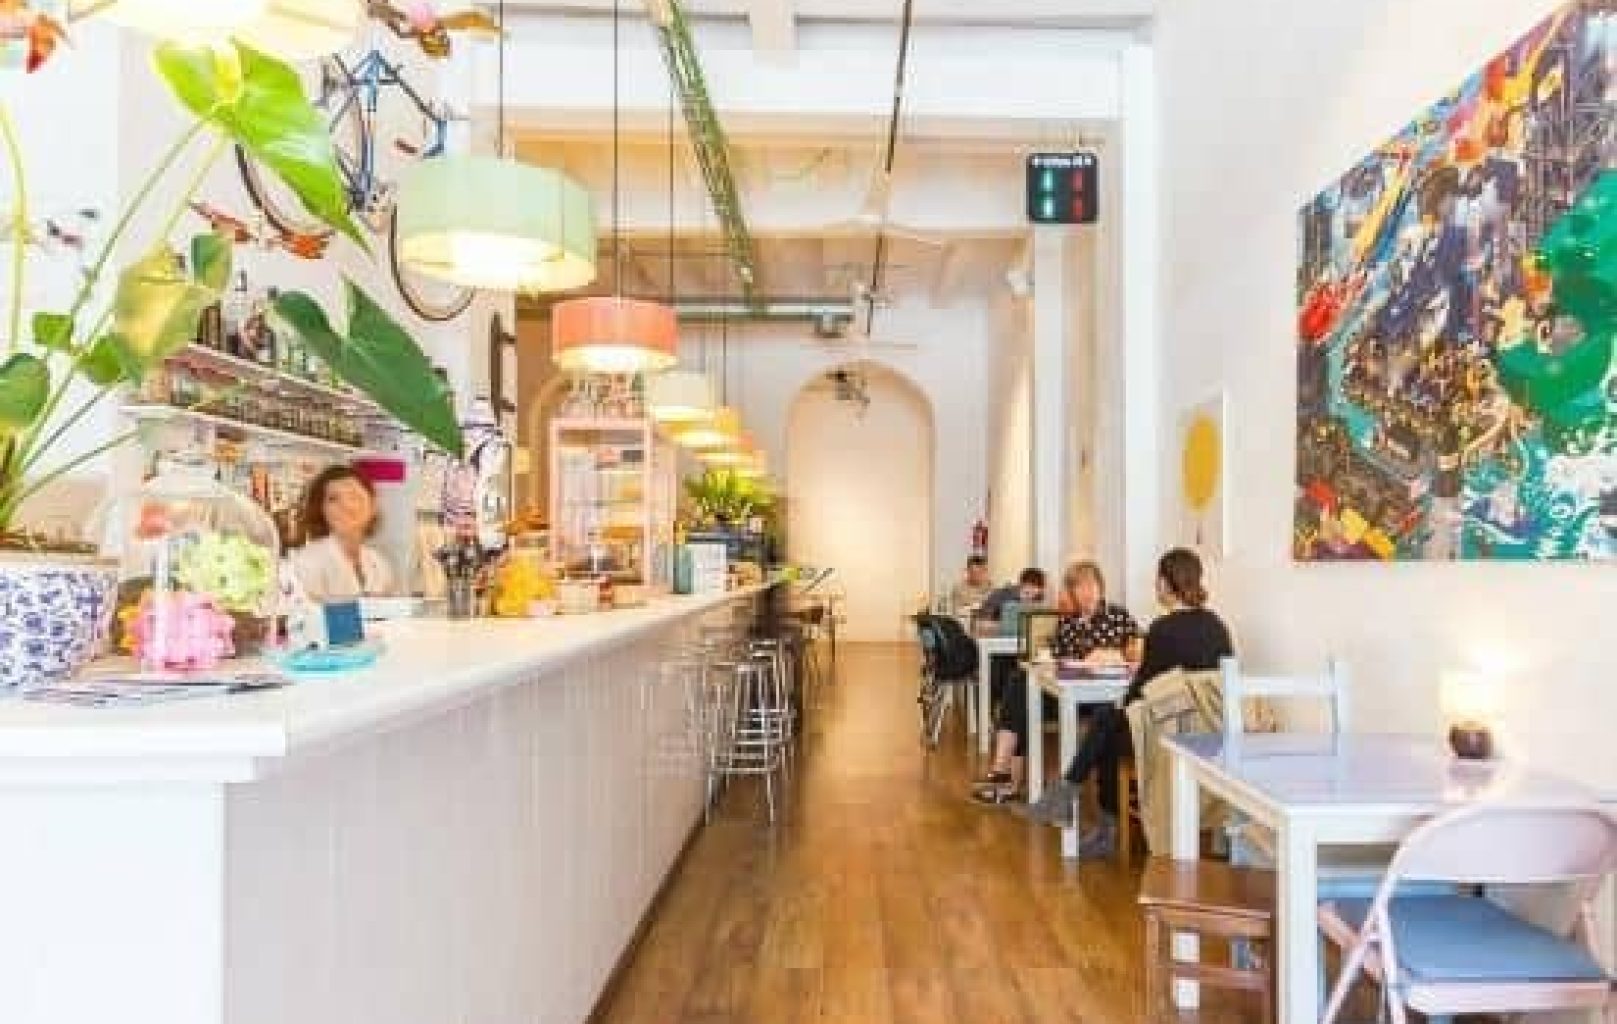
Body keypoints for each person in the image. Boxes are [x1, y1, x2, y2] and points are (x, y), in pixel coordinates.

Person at [1027, 548, 1233, 856]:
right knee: (1107, 723)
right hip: (1211, 730)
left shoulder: (1163, 630)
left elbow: (1142, 692)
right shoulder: (1217, 624)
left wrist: (1124, 697)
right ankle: (1069, 799)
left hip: (1169, 732)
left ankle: (1095, 819)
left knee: (1106, 728)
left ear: (1164, 584)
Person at [971, 561, 1140, 803]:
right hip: (1068, 691)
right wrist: (1056, 661)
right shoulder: (1068, 622)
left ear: (1100, 587)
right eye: (1078, 587)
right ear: (1072, 592)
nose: (1086, 592)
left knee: (1025, 692)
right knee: (1020, 684)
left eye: (1090, 585)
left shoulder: (1119, 617)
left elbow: (1139, 653)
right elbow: (1056, 657)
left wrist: (1117, 655)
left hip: (1105, 697)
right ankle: (1002, 771)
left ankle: (1010, 781)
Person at [290, 465, 397, 602]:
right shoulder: (307, 562)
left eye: (354, 496)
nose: (346, 505)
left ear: (373, 506)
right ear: (320, 509)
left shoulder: (380, 563)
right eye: (333, 499)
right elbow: (309, 618)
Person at [976, 566, 1047, 624]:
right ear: (1021, 584)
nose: (1034, 590)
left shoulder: (1038, 600)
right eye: (1031, 586)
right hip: (998, 636)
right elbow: (983, 618)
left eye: (1037, 588)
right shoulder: (1001, 594)